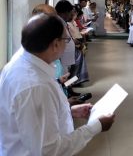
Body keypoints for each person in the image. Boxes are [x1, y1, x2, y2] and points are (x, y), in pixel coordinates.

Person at [0, 14, 115, 155]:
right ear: (55, 44)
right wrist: (95, 126)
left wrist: (66, 111)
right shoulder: (36, 87)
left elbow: (31, 119)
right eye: (66, 39)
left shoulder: (22, 61)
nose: (67, 44)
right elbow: (49, 151)